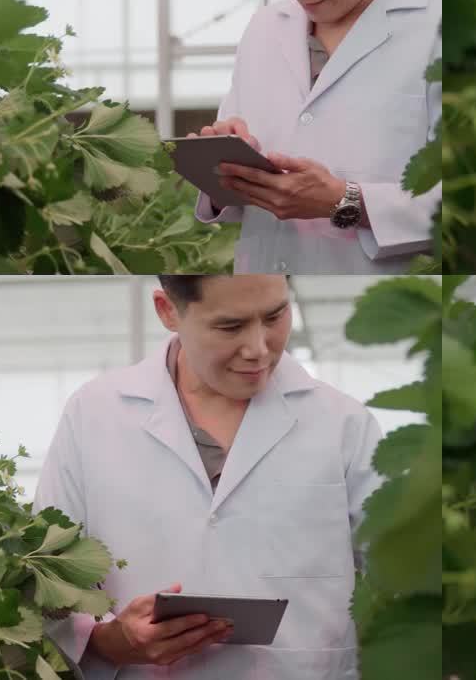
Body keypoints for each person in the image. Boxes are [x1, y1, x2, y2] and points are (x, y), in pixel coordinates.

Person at [36, 275, 384, 679]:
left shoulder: (343, 422)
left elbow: (402, 577)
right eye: (230, 327)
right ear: (169, 311)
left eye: (275, 316)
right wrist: (106, 640)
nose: (258, 349)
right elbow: (46, 571)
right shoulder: (94, 414)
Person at [188, 0, 441, 274]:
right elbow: (234, 204)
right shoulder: (264, 29)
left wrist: (345, 201)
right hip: (265, 274)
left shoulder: (442, 34)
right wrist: (226, 167)